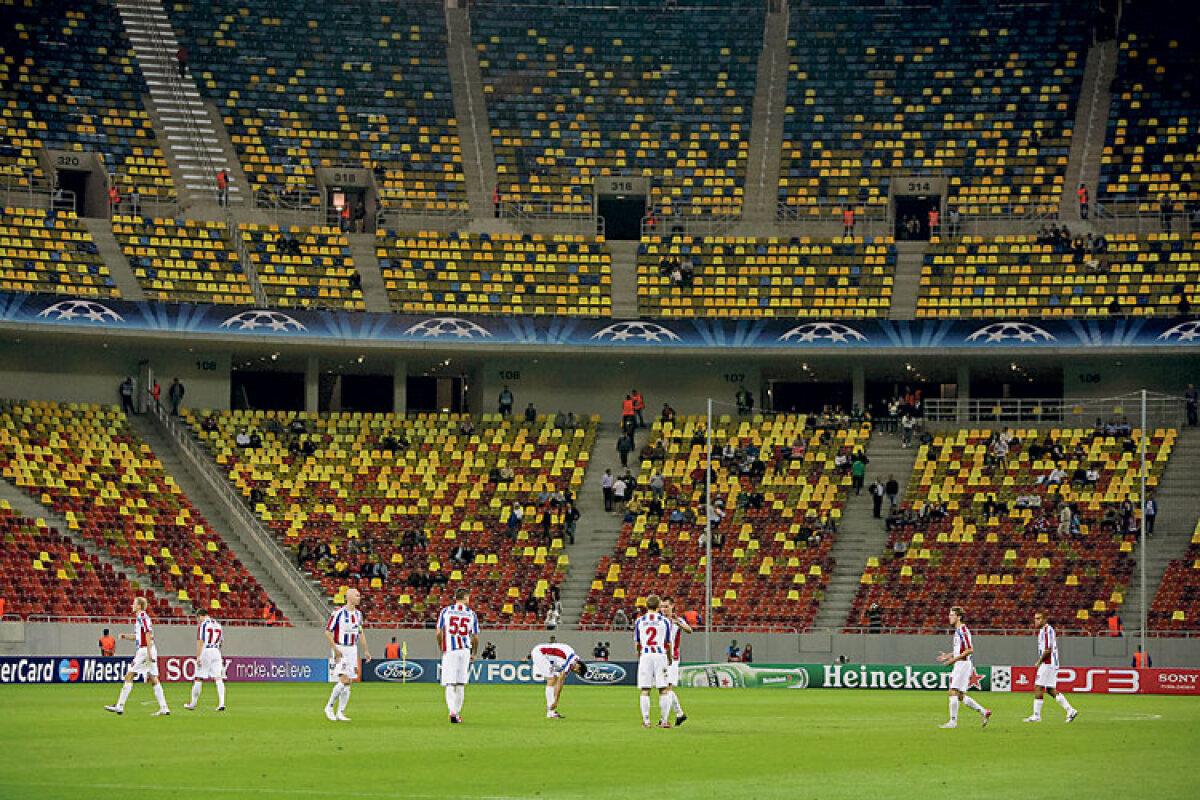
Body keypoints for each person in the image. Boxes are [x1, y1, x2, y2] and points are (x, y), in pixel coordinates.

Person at [105, 596, 171, 716]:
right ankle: (164, 707)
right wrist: (125, 636)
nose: (132, 605)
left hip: (144, 651)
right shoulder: (141, 619)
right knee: (153, 678)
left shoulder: (142, 617)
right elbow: (139, 636)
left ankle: (120, 706)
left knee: (129, 675)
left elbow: (148, 633)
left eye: (134, 604)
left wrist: (149, 652)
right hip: (148, 649)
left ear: (139, 606)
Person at [936, 606, 991, 728]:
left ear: (959, 617)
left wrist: (953, 661)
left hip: (962, 664)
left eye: (952, 615)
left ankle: (953, 722)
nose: (949, 617)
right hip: (961, 663)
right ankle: (984, 712)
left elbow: (970, 650)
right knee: (960, 695)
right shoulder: (958, 631)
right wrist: (948, 655)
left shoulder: (963, 630)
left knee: (952, 691)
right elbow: (959, 649)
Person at [1023, 611, 1078, 723]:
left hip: (1048, 663)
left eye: (1039, 618)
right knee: (1050, 689)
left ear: (1044, 620)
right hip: (1052, 663)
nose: (1036, 621)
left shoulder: (1047, 631)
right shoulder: (1043, 631)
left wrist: (1039, 662)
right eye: (1035, 618)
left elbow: (1048, 650)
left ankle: (1036, 715)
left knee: (1038, 687)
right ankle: (1070, 710)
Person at [323, 588, 369, 722]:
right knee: (344, 679)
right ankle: (329, 706)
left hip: (352, 649)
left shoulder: (358, 615)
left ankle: (340, 712)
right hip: (341, 648)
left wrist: (366, 650)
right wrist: (335, 649)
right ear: (349, 597)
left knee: (349, 683)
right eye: (357, 595)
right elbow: (327, 632)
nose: (359, 598)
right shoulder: (338, 613)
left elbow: (360, 633)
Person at [437, 588, 479, 724]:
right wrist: (475, 653)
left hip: (451, 650)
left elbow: (438, 632)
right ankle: (458, 713)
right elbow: (476, 637)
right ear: (465, 598)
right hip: (465, 651)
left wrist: (441, 647)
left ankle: (452, 712)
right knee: (461, 684)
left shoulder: (446, 611)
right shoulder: (471, 614)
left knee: (450, 683)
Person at [634, 594, 674, 728]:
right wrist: (670, 657)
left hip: (646, 655)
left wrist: (639, 655)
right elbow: (668, 643)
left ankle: (646, 721)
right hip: (659, 654)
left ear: (646, 606)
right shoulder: (665, 621)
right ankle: (664, 720)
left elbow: (637, 643)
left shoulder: (639, 621)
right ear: (658, 607)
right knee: (663, 689)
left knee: (645, 689)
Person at [530, 641, 587, 719]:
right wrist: (556, 701)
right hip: (540, 653)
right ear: (578, 666)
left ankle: (551, 711)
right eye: (577, 671)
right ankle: (550, 711)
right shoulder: (571, 661)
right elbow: (561, 680)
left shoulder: (571, 659)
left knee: (555, 678)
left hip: (544, 655)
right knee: (552, 679)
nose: (574, 672)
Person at [184, 608, 226, 712]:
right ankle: (222, 703)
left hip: (206, 651)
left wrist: (198, 656)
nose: (199, 621)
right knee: (218, 678)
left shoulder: (203, 625)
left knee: (199, 677)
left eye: (198, 618)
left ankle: (192, 704)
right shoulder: (218, 624)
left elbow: (200, 641)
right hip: (216, 651)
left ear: (201, 616)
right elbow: (221, 641)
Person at [660, 597, 692, 726]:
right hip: (660, 658)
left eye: (666, 606)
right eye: (662, 606)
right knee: (664, 688)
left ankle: (665, 719)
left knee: (667, 688)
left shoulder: (677, 620)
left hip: (673, 658)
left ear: (672, 606)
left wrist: (678, 623)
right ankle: (679, 714)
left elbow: (689, 630)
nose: (664, 609)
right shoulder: (659, 620)